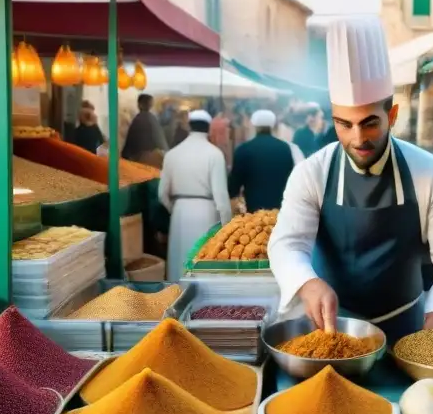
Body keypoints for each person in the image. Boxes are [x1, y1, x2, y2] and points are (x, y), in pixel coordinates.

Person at [268, 16, 433, 342]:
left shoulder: (431, 174)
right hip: (331, 330)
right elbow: (287, 244)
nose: (357, 138)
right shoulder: (311, 173)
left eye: (369, 123)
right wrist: (307, 283)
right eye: (344, 124)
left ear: (392, 116)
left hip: (407, 326)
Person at [158, 109, 233, 281]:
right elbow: (221, 197)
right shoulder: (214, 154)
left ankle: (177, 301)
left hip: (179, 213)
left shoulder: (172, 154)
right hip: (205, 212)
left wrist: (175, 208)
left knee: (179, 264)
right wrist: (227, 226)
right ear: (208, 128)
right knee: (203, 265)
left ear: (189, 126)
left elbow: (162, 193)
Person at [228, 109, 301, 212]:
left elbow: (234, 186)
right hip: (282, 210)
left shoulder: (243, 149)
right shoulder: (285, 148)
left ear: (254, 126)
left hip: (255, 212)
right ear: (272, 126)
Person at [122, 94, 168, 161]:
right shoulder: (152, 119)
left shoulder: (138, 119)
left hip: (141, 161)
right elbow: (161, 142)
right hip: (156, 160)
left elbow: (129, 145)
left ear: (139, 104)